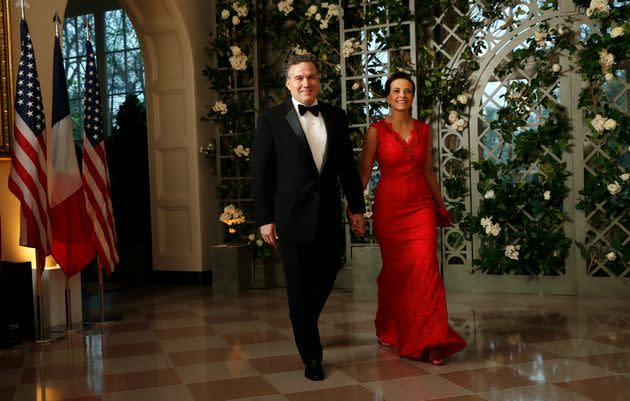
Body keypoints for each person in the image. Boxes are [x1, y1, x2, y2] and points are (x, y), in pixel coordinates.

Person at [251, 53, 366, 381]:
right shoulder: (271, 120)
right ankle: (312, 357)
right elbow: (260, 174)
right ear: (288, 82)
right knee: (299, 288)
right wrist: (265, 218)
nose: (306, 83)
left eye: (311, 77)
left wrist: (356, 207)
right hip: (290, 219)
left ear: (319, 80)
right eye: (299, 77)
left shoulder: (336, 116)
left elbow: (346, 167)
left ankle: (301, 317)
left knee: (331, 267)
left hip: (328, 214)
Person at [356, 71, 466, 365]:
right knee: (397, 274)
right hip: (389, 212)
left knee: (426, 271)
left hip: (420, 209)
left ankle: (431, 340)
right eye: (396, 90)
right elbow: (364, 174)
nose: (401, 95)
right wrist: (354, 208)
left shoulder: (424, 130)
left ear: (413, 96)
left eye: (407, 90)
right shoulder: (376, 130)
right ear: (388, 96)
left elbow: (428, 171)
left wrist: (440, 207)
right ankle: (390, 328)